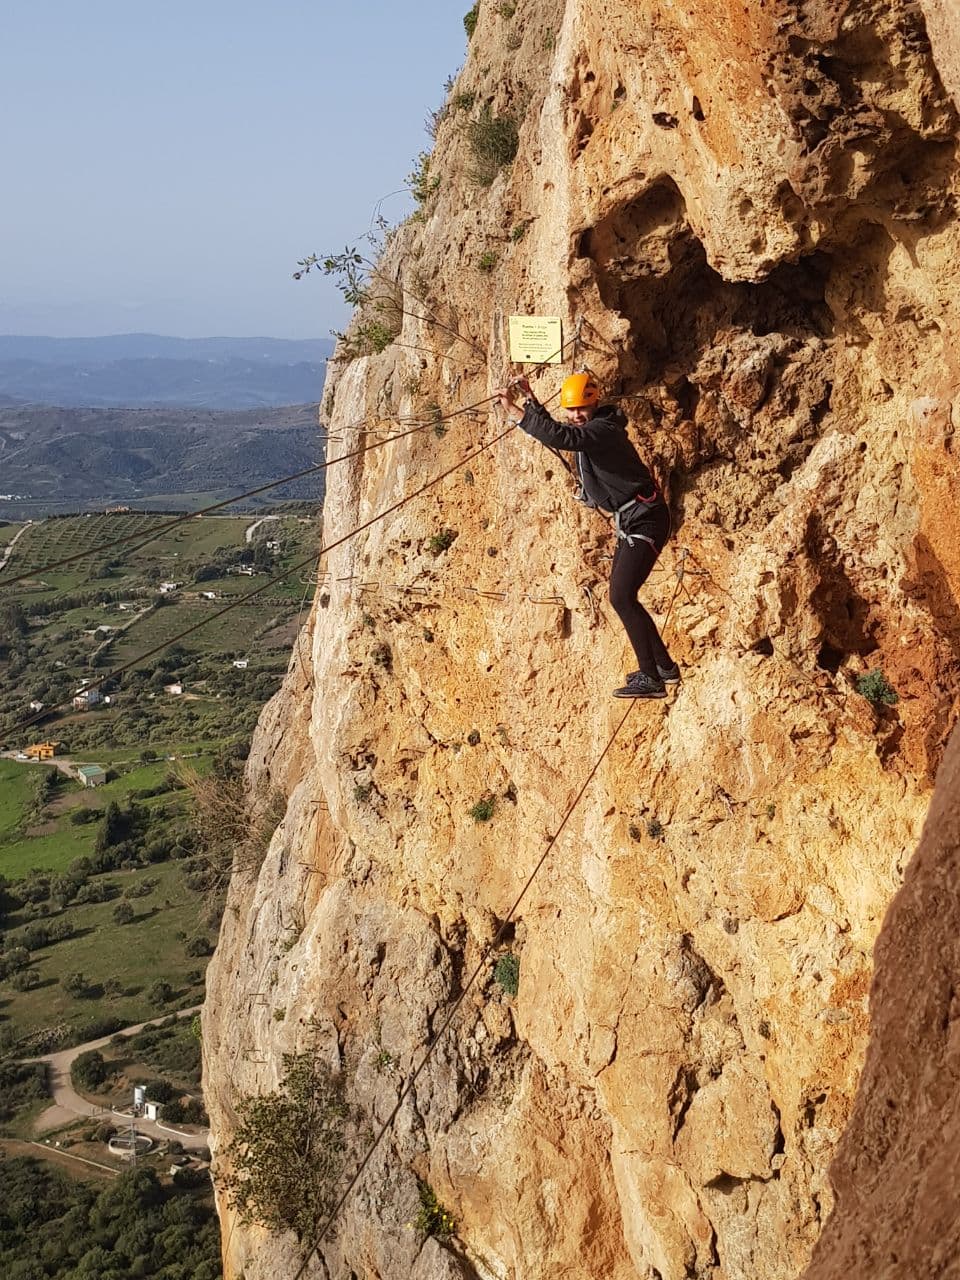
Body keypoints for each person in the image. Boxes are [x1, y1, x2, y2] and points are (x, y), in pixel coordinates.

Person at [496, 371, 679, 698]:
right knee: (623, 596)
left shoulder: (602, 429)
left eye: (582, 408)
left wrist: (516, 412)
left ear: (594, 403)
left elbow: (565, 437)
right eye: (572, 409)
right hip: (635, 520)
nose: (577, 415)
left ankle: (652, 678)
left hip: (646, 520)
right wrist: (531, 399)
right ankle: (664, 667)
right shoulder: (592, 429)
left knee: (621, 597)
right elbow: (562, 432)